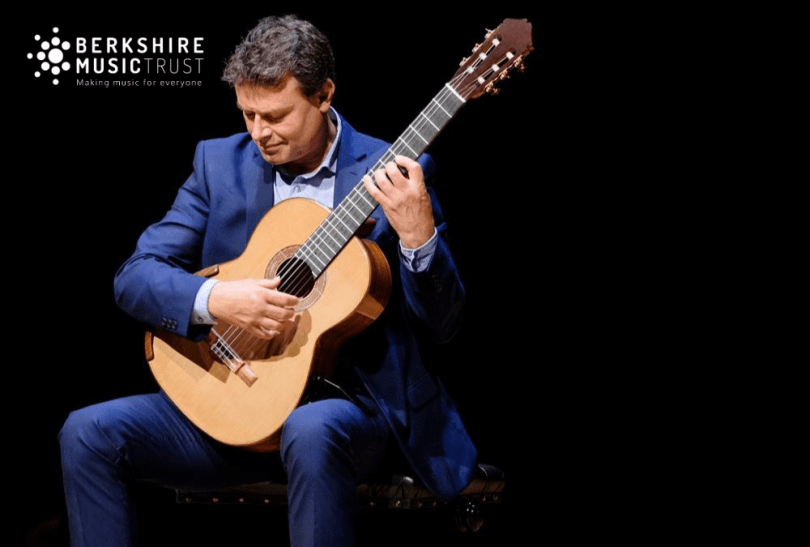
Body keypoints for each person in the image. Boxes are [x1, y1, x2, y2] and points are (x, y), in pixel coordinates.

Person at [59, 14, 477, 547]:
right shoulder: (218, 164)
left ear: (324, 95)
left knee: (312, 429)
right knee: (87, 432)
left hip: (352, 410)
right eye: (248, 115)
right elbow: (134, 277)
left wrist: (420, 240)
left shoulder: (394, 172)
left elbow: (442, 329)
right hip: (241, 398)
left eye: (275, 116)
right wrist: (217, 298)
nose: (259, 133)